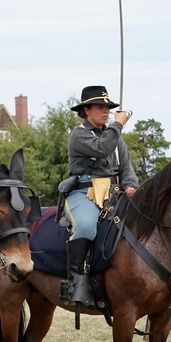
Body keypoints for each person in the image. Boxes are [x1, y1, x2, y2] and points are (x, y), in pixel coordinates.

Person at [61, 85, 138, 307]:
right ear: (86, 110)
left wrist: (131, 184)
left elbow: (126, 166)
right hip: (85, 192)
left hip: (115, 193)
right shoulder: (79, 135)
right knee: (86, 226)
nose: (106, 112)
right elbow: (103, 149)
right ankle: (76, 281)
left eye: (108, 108)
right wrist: (119, 124)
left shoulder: (115, 137)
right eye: (100, 107)